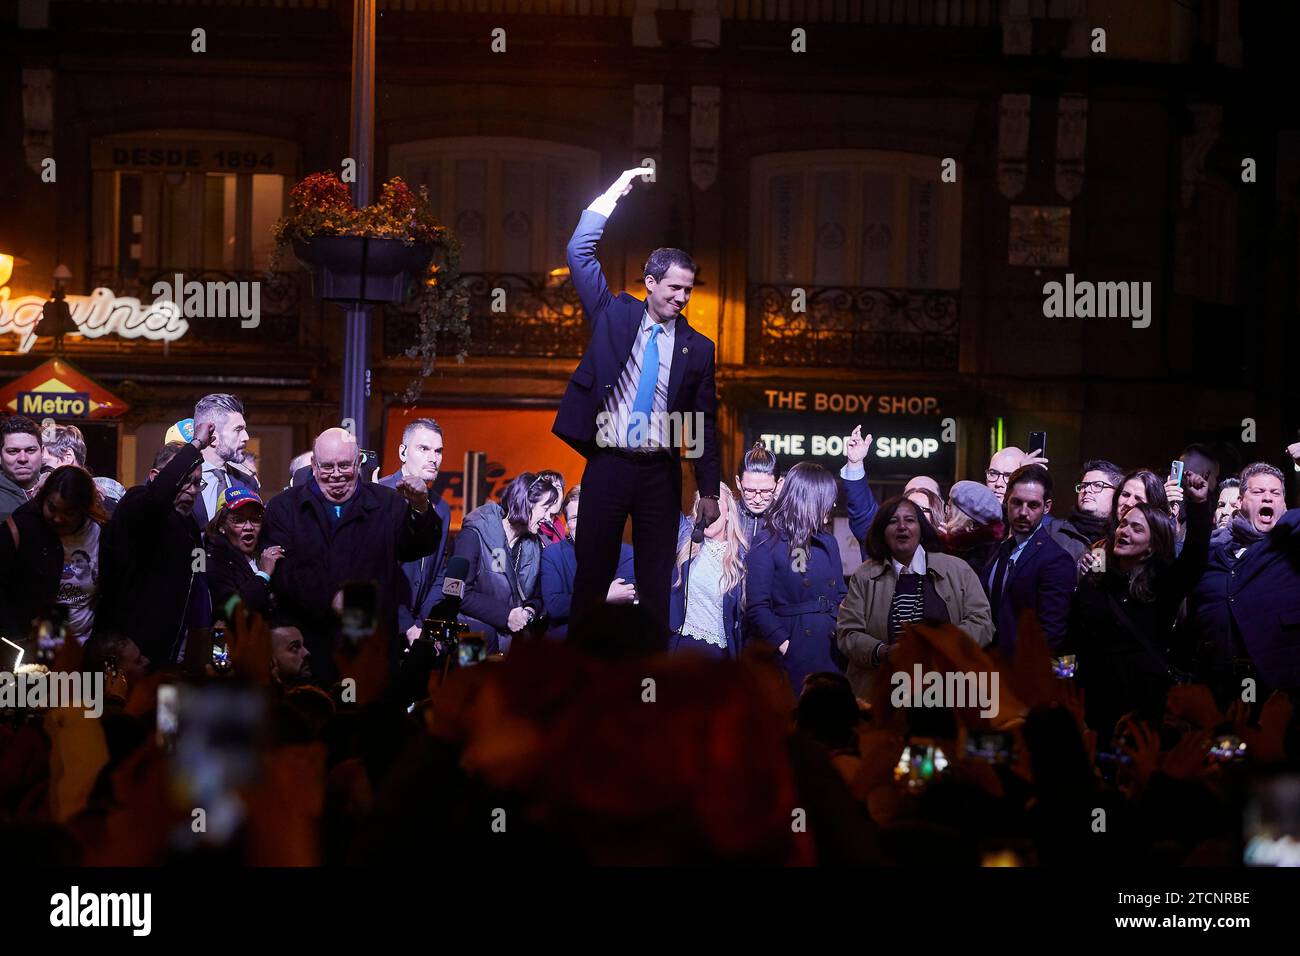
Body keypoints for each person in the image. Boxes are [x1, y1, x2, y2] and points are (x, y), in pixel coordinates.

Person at [552, 166, 721, 646]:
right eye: (674, 288)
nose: (682, 298)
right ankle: (581, 673)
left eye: (689, 290)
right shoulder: (615, 312)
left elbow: (702, 422)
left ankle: (649, 682)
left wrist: (708, 487)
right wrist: (612, 195)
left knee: (655, 583)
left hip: (658, 474)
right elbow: (578, 254)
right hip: (607, 465)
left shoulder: (698, 347)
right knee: (592, 576)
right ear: (650, 282)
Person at [261, 427, 443, 679]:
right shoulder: (283, 507)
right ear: (313, 465)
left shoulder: (388, 503)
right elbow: (281, 571)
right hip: (308, 649)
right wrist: (330, 598)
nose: (336, 475)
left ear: (358, 463)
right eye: (327, 466)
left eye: (345, 465)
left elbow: (418, 547)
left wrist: (421, 508)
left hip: (370, 651)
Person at [1067, 476, 1210, 742]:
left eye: (1136, 528)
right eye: (1122, 525)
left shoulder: (1162, 584)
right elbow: (1074, 634)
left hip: (1145, 708)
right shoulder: (1097, 578)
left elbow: (1194, 558)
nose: (1124, 532)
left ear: (1152, 544)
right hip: (1095, 705)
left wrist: (1199, 503)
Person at [836, 496, 993, 698]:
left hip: (946, 694)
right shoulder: (864, 576)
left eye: (909, 520)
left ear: (921, 528)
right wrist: (884, 652)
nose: (902, 526)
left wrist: (941, 644)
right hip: (881, 693)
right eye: (893, 521)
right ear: (882, 531)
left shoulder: (957, 569)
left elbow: (983, 623)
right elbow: (848, 633)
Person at [94, 425, 214, 665]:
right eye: (184, 481)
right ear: (155, 477)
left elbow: (198, 575)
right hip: (129, 648)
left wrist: (201, 628)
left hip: (171, 647)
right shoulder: (136, 502)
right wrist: (195, 446)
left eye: (197, 483)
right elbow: (157, 499)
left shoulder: (191, 524)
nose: (191, 490)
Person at [1186, 458, 1300, 699]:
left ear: (1285, 505)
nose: (1268, 498)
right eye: (1258, 492)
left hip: (1279, 690)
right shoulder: (1213, 551)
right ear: (1240, 502)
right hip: (1215, 687)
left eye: (1275, 493)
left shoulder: (1291, 547)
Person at [745, 463, 846, 694]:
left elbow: (841, 594)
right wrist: (787, 646)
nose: (832, 505)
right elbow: (757, 606)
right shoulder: (766, 543)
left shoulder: (829, 542)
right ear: (808, 499)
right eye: (827, 498)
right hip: (794, 650)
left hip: (831, 648)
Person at [0, 464, 108, 652]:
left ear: (84, 509)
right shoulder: (23, 527)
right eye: (52, 508)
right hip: (37, 641)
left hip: (88, 642)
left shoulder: (100, 531)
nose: (58, 519)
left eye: (69, 513)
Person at [454, 472, 557, 654]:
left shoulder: (535, 546)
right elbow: (455, 591)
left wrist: (529, 611)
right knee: (472, 680)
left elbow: (539, 596)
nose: (549, 517)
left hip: (512, 640)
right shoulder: (473, 533)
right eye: (545, 508)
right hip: (470, 631)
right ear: (526, 502)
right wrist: (506, 615)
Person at [981, 464, 1076, 657]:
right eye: (1017, 502)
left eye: (1033, 505)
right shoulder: (996, 548)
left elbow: (1051, 632)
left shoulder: (1056, 559)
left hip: (1021, 670)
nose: (1023, 512)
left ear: (1047, 507)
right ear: (1007, 501)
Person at [378, 418, 452, 646]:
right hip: (383, 626)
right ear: (402, 452)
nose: (433, 458)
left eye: (438, 451)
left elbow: (439, 571)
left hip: (421, 629)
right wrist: (407, 625)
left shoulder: (441, 507)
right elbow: (378, 571)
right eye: (424, 449)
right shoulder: (380, 496)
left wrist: (424, 624)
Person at [539, 484, 635, 639]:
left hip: (613, 633)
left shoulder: (626, 553)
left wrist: (579, 601)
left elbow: (623, 598)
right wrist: (603, 596)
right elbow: (555, 606)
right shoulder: (552, 555)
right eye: (575, 518)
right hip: (566, 635)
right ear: (567, 524)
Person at [669, 484, 747, 659]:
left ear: (728, 515)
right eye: (702, 508)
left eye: (716, 506)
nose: (709, 514)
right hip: (681, 645)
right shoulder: (685, 540)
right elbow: (665, 504)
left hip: (718, 653)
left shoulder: (741, 558)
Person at [204, 487, 284, 622]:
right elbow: (231, 611)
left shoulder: (269, 552)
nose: (248, 527)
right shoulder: (213, 560)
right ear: (221, 526)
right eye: (239, 520)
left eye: (255, 519)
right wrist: (263, 575)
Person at [191, 393, 258, 528]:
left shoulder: (248, 484)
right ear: (213, 437)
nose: (246, 437)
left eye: (244, 429)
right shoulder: (179, 482)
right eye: (238, 430)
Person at [1051, 459, 1123, 566]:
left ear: (1116, 493)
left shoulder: (1121, 537)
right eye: (1083, 486)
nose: (1087, 490)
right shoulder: (1053, 531)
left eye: (1097, 485)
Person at [939, 480, 1003, 575]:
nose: (945, 512)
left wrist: (942, 546)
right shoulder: (989, 549)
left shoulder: (973, 558)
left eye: (949, 507)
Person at [841, 425, 880, 556]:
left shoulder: (944, 553)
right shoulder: (882, 539)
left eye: (923, 508)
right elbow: (863, 513)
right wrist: (855, 464)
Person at [734, 442, 782, 542]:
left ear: (779, 485)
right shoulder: (726, 517)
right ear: (738, 483)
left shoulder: (787, 522)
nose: (757, 499)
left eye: (766, 491)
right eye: (750, 491)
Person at [0, 416, 44, 519]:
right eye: (13, 451)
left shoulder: (55, 490)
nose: (23, 458)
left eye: (30, 450)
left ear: (42, 452)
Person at [534, 470, 568, 546]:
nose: (554, 491)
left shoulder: (562, 534)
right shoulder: (529, 528)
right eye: (548, 486)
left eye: (558, 487)